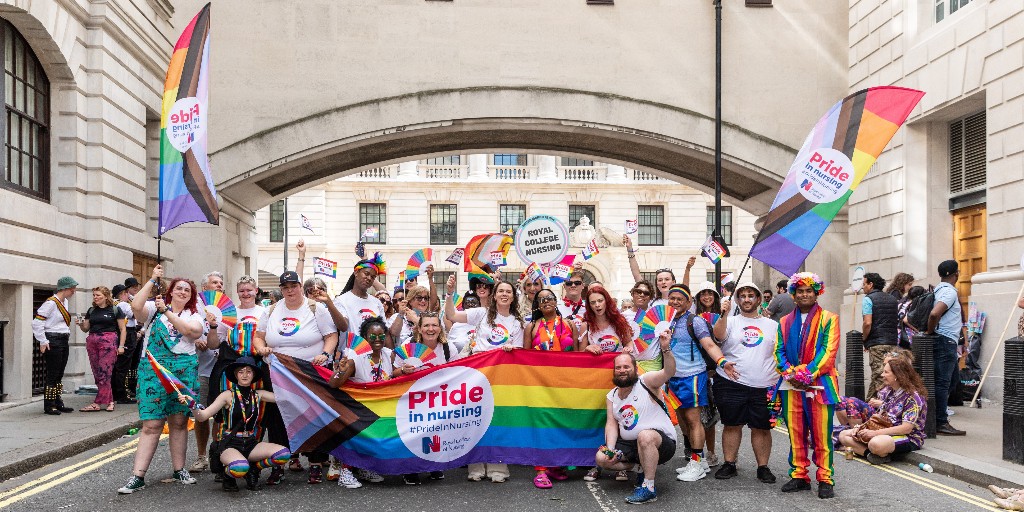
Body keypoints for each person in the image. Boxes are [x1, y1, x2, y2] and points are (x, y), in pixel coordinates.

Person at [119, 265, 206, 494]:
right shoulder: (152, 308)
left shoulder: (195, 315)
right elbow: (135, 306)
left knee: (178, 422)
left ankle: (180, 470)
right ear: (171, 291)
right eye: (179, 288)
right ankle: (137, 476)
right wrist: (152, 279)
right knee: (152, 424)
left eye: (187, 290)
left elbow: (191, 332)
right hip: (153, 371)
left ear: (191, 295)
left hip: (183, 372)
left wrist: (167, 311)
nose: (183, 292)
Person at [254, 270, 339, 484]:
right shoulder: (272, 309)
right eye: (285, 287)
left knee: (313, 414)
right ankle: (279, 463)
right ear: (281, 290)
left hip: (309, 371)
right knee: (279, 417)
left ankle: (316, 463)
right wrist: (261, 348)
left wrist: (326, 354)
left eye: (293, 286)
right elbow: (259, 336)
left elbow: (331, 335)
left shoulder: (315, 308)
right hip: (278, 371)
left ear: (300, 286)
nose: (290, 290)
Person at [444, 276, 523, 482]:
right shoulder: (481, 313)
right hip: (478, 374)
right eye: (501, 291)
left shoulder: (517, 322)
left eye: (508, 291)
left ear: (513, 297)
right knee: (476, 419)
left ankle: (499, 469)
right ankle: (475, 468)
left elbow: (521, 350)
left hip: (503, 376)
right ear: (494, 295)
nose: (504, 294)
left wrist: (511, 349)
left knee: (498, 420)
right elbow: (451, 315)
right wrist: (450, 292)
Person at [774, 272, 840, 499]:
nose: (804, 295)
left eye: (808, 291)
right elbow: (778, 351)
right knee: (796, 432)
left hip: (819, 385)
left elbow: (828, 353)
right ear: (793, 294)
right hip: (792, 386)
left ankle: (825, 478)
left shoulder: (829, 318)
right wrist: (789, 372)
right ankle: (799, 475)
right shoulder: (784, 322)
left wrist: (804, 374)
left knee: (822, 434)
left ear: (816, 293)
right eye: (800, 291)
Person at [662, 284, 736, 483]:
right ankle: (700, 459)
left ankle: (696, 464)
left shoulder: (695, 321)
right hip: (673, 378)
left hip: (693, 376)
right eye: (672, 298)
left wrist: (722, 362)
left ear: (688, 302)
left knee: (694, 420)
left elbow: (710, 345)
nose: (675, 302)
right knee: (684, 422)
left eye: (680, 299)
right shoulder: (666, 321)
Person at [183, 357, 291, 492]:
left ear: (254, 375)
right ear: (235, 375)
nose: (245, 375)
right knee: (239, 468)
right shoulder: (227, 395)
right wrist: (193, 406)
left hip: (251, 442)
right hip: (230, 444)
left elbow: (286, 398)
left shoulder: (259, 394)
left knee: (284, 454)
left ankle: (254, 468)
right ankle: (227, 475)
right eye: (241, 372)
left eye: (249, 371)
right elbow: (202, 416)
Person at [594, 336, 677, 504]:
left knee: (645, 436)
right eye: (618, 368)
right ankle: (638, 467)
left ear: (635, 369)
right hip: (631, 445)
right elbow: (611, 424)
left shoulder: (646, 382)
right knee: (601, 458)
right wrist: (611, 450)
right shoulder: (611, 396)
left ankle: (649, 488)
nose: (622, 370)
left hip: (661, 443)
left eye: (626, 367)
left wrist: (666, 349)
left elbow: (668, 372)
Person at [710, 282, 778, 483]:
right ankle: (729, 463)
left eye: (751, 295)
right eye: (743, 296)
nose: (747, 299)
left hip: (764, 385)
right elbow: (718, 335)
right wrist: (723, 314)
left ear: (758, 299)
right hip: (731, 382)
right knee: (732, 424)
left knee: (762, 427)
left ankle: (763, 467)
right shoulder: (729, 321)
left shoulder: (773, 325)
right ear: (737, 300)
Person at [207, 275, 268, 483]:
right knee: (227, 414)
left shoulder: (264, 312)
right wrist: (213, 327)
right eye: (242, 290)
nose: (246, 294)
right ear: (237, 292)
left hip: (256, 367)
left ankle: (252, 465)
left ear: (256, 290)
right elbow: (214, 345)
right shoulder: (229, 313)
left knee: (257, 413)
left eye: (249, 290)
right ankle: (225, 460)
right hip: (233, 370)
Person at [524, 288, 580, 489]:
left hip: (564, 384)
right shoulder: (531, 327)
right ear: (537, 305)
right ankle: (540, 470)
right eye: (541, 299)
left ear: (556, 301)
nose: (546, 301)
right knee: (542, 426)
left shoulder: (570, 324)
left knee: (560, 423)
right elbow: (525, 359)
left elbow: (576, 355)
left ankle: (556, 465)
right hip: (541, 384)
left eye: (549, 298)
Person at [392, 313, 458, 485]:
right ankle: (410, 468)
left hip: (438, 398)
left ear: (440, 328)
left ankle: (433, 465)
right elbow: (393, 372)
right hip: (413, 398)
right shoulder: (408, 345)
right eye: (427, 325)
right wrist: (403, 371)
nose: (431, 329)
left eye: (434, 325)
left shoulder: (447, 348)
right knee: (413, 433)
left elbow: (458, 371)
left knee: (435, 432)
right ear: (419, 328)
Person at [329, 317, 393, 488]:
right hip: (359, 409)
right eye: (372, 336)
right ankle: (346, 472)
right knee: (360, 433)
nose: (377, 339)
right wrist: (340, 372)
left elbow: (396, 375)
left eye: (381, 335)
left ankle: (365, 468)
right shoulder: (355, 358)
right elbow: (333, 384)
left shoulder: (390, 355)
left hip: (381, 408)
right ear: (365, 337)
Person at [837, 357, 927, 465]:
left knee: (875, 443)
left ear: (898, 376)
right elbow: (878, 416)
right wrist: (860, 428)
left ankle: (873, 450)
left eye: (886, 372)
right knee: (843, 435)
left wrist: (875, 433)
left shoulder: (913, 397)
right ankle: (870, 455)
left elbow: (906, 428)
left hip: (909, 437)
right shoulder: (889, 391)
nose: (882, 375)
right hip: (885, 431)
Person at [190, 271, 226, 474]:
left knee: (220, 416)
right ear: (205, 288)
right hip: (201, 369)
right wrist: (195, 339)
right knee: (201, 415)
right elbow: (182, 331)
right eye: (215, 282)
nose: (219, 285)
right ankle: (201, 456)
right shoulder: (194, 309)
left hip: (221, 370)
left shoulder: (228, 309)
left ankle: (217, 453)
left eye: (221, 283)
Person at [927, 260, 967, 436]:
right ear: (956, 274)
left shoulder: (938, 289)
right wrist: (931, 331)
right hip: (945, 341)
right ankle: (940, 422)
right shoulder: (949, 292)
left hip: (943, 340)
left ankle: (935, 418)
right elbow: (935, 313)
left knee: (947, 381)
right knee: (943, 382)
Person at [32, 276, 78, 415]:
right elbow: (37, 322)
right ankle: (49, 405)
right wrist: (43, 341)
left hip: (63, 339)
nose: (73, 292)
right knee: (53, 373)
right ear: (64, 288)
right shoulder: (51, 303)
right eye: (72, 289)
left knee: (59, 373)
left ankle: (58, 402)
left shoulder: (64, 302)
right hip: (53, 339)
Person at [75, 286, 126, 412]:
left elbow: (122, 329)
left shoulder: (115, 309)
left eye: (98, 295)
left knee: (105, 372)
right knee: (97, 373)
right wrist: (81, 324)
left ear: (106, 296)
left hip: (108, 342)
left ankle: (98, 402)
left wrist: (121, 346)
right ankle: (109, 401)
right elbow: (85, 328)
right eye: (94, 295)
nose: (95, 297)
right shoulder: (91, 310)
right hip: (92, 341)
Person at [691, 281, 723, 468]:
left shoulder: (723, 317)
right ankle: (699, 453)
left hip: (720, 369)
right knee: (701, 415)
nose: (707, 297)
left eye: (710, 293)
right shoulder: (692, 319)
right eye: (703, 294)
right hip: (700, 370)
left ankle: (711, 452)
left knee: (714, 416)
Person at [861, 272, 906, 398]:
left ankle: (872, 407)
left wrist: (864, 339)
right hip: (892, 341)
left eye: (864, 284)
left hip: (877, 343)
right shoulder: (892, 299)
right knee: (885, 376)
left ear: (871, 284)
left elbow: (867, 323)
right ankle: (868, 404)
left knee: (880, 377)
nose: (862, 287)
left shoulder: (868, 299)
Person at [335, 254, 386, 346]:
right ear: (356, 273)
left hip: (373, 355)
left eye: (373, 277)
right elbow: (343, 326)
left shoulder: (377, 303)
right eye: (366, 274)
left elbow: (384, 330)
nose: (369, 278)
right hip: (351, 355)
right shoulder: (341, 300)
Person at [111, 284, 139, 404]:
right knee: (124, 365)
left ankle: (116, 392)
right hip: (128, 334)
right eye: (127, 293)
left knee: (119, 365)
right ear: (123, 293)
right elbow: (136, 314)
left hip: (122, 333)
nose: (129, 295)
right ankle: (122, 393)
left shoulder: (114, 304)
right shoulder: (123, 304)